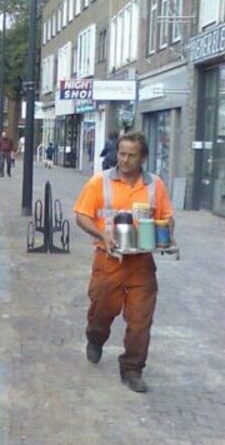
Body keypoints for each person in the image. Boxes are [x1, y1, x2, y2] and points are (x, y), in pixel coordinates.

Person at [73, 131, 174, 393]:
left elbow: (166, 217)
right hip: (108, 260)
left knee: (141, 320)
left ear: (143, 158)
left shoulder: (155, 185)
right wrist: (101, 234)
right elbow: (81, 216)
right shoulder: (100, 182)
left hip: (141, 263)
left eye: (132, 155)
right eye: (121, 153)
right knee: (102, 309)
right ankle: (95, 338)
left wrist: (166, 234)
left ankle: (132, 368)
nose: (125, 160)